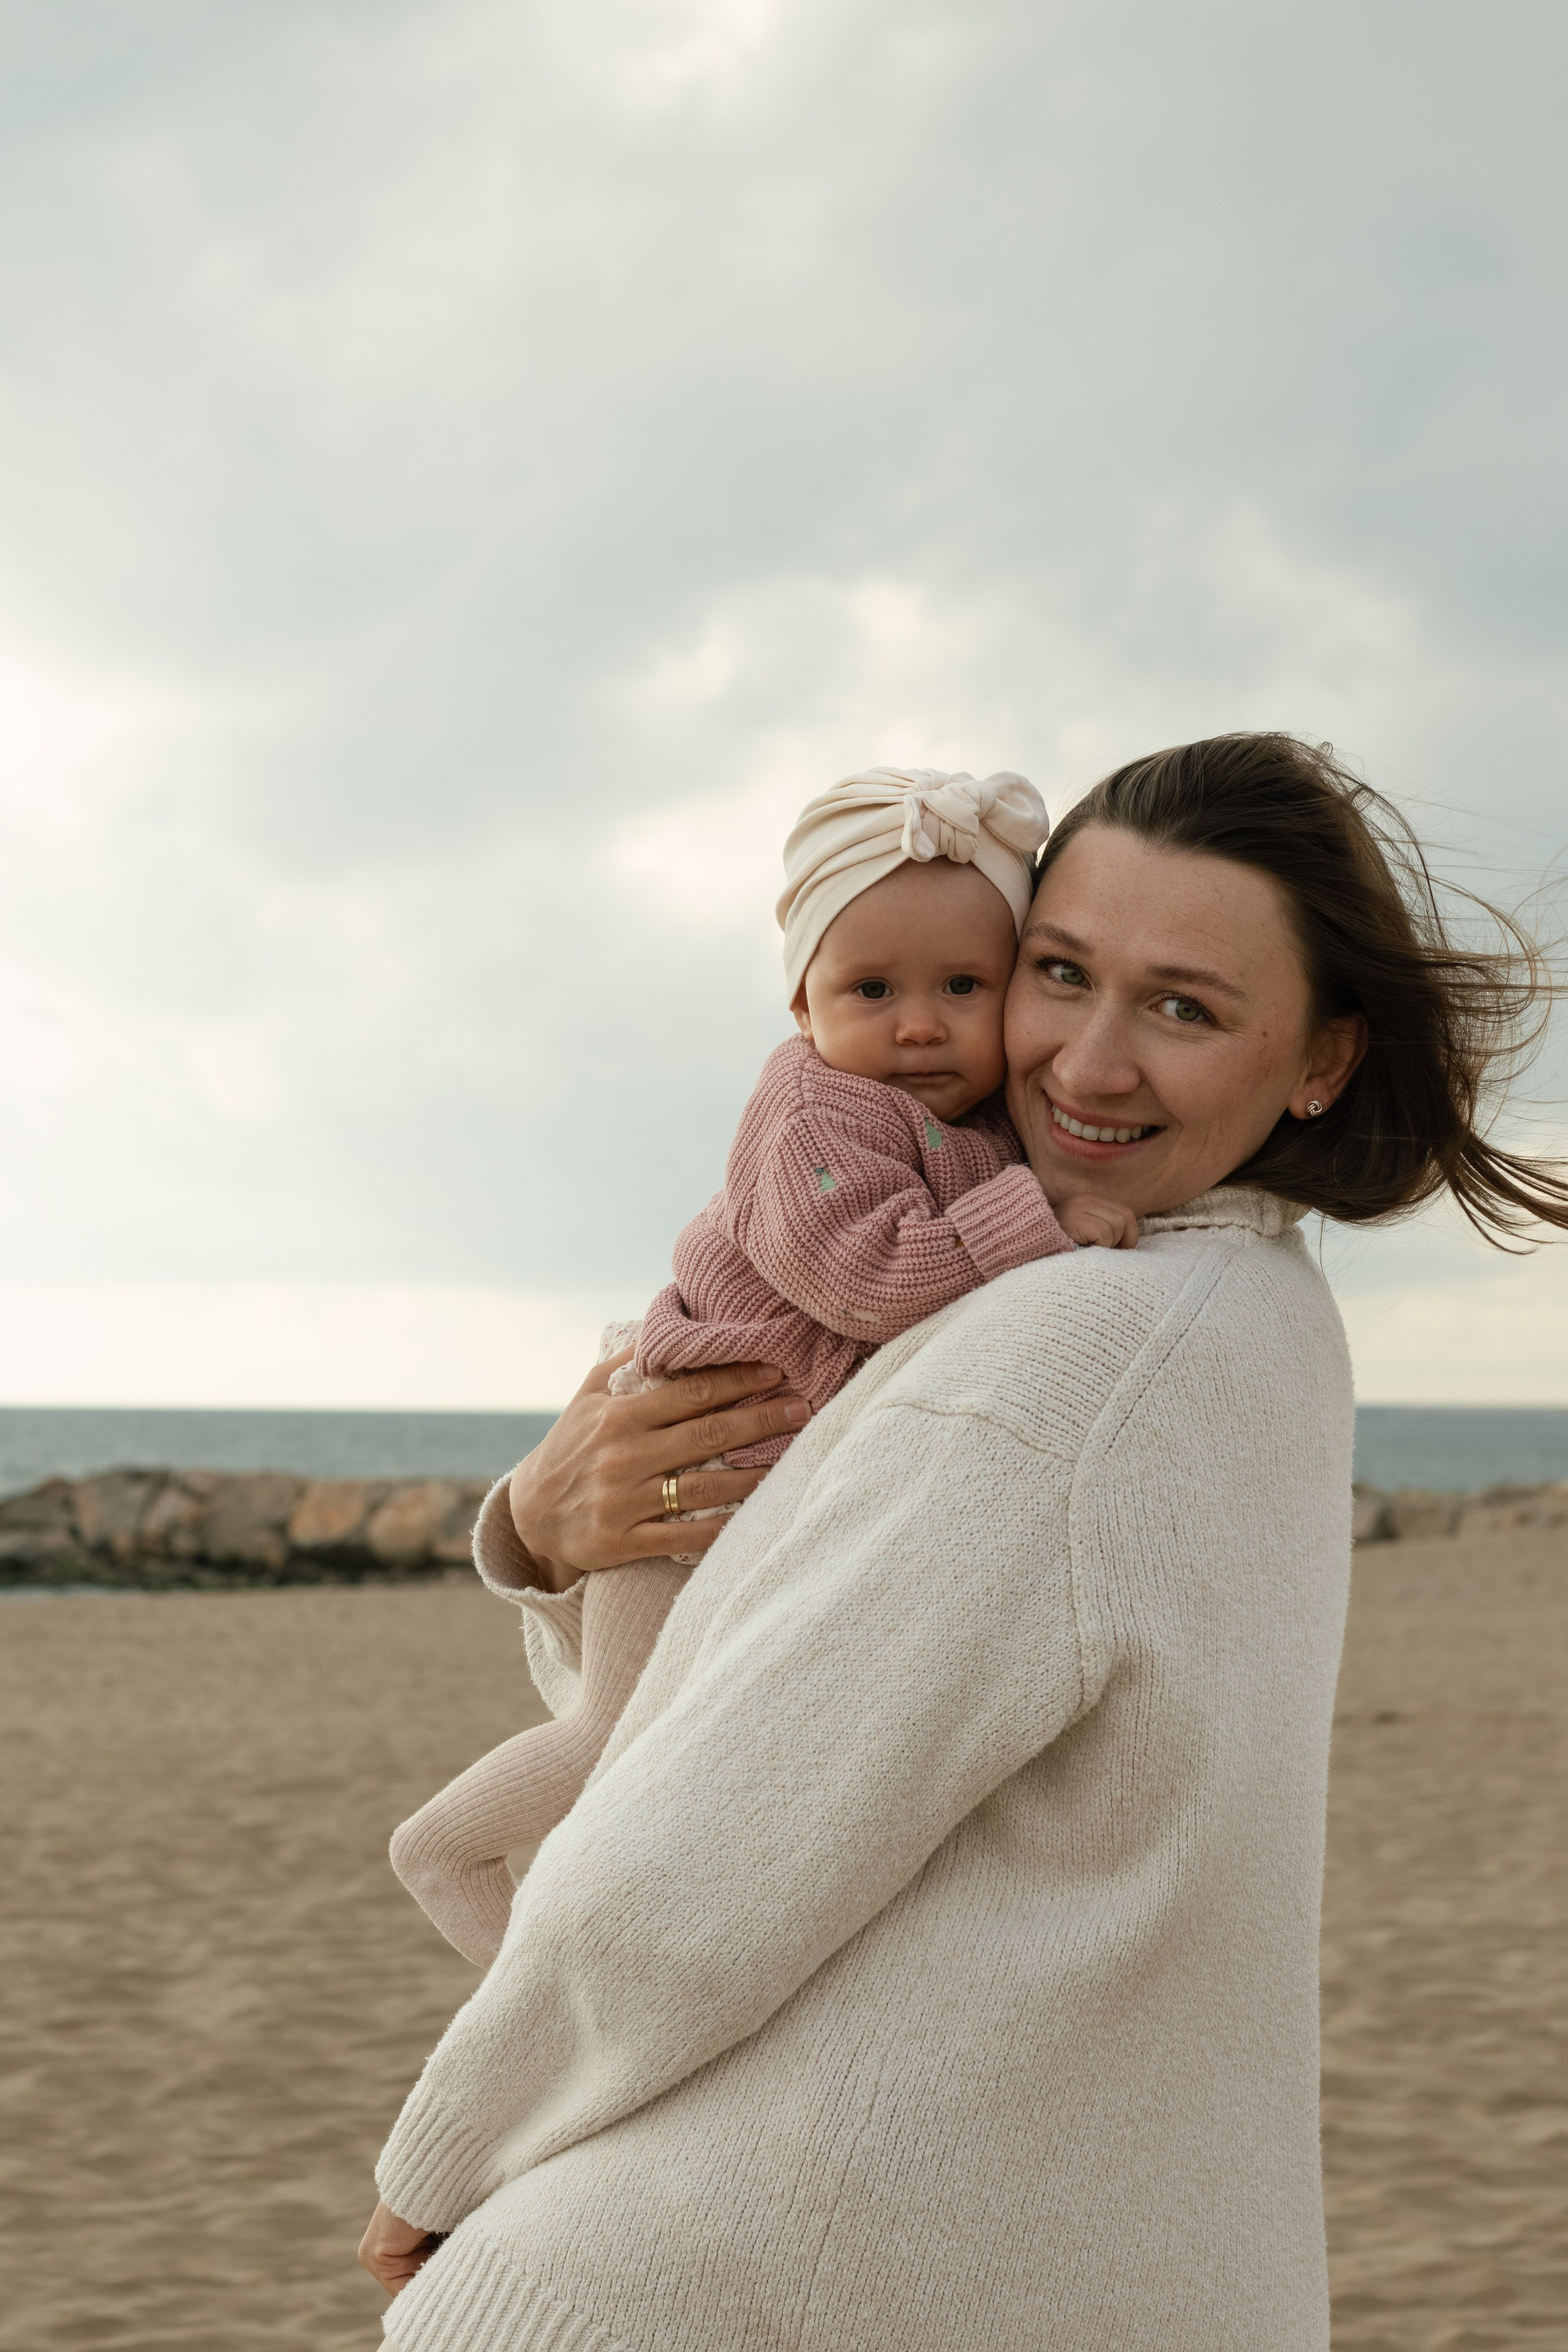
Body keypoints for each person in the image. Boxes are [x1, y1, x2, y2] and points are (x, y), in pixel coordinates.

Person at [360, 734, 1567, 2351]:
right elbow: (756, 1650)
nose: (1089, 1062)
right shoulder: (1263, 1324)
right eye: (1060, 973)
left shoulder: (1067, 1352)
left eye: (1186, 1006)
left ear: (1324, 1060)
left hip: (709, 2278)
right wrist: (543, 1526)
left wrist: (444, 2151)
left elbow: (707, 1837)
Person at [388, 768, 1133, 1967]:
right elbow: (865, 1277)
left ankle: (583, 1955)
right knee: (617, 1738)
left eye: (963, 986)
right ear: (800, 1005)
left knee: (692, 1759)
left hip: (754, 1482)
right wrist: (1035, 1215)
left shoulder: (965, 1119)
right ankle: (449, 1857)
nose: (918, 1022)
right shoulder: (811, 1108)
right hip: (690, 1458)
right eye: (869, 989)